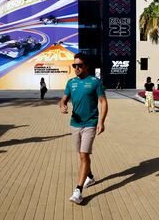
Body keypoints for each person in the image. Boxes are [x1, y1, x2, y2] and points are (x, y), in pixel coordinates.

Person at [59, 53, 108, 204]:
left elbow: (103, 102)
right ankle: (90, 177)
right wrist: (62, 105)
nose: (76, 68)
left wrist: (101, 121)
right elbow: (63, 99)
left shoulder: (95, 82)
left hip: (90, 123)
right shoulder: (70, 82)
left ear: (86, 66)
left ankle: (78, 191)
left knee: (83, 155)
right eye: (74, 65)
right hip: (75, 124)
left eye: (79, 65)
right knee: (82, 156)